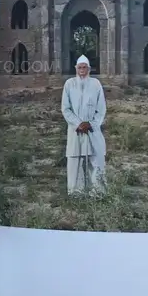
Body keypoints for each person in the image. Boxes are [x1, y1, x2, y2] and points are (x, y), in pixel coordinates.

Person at [61, 55, 107, 195]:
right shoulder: (69, 84)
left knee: (96, 159)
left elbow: (101, 109)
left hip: (92, 129)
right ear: (76, 69)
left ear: (89, 69)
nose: (82, 70)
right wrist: (78, 124)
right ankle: (76, 193)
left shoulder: (96, 84)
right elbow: (65, 108)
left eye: (84, 67)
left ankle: (98, 193)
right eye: (79, 67)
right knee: (74, 160)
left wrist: (90, 124)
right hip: (75, 130)